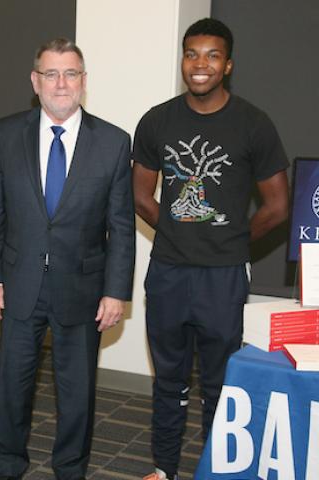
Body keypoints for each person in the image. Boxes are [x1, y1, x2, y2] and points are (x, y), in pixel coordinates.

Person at [132, 18, 289, 480]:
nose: (200, 65)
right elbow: (140, 195)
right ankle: (163, 468)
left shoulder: (254, 124)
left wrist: (233, 240)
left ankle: (216, 470)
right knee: (169, 380)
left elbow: (277, 206)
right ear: (183, 61)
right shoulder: (157, 120)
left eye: (212, 56)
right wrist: (180, 229)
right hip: (168, 272)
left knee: (219, 385)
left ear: (228, 65)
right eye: (192, 54)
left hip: (223, 275)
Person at [0, 38, 135, 480]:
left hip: (83, 290)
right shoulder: (6, 134)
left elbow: (120, 225)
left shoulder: (114, 142)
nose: (61, 83)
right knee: (12, 387)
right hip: (17, 284)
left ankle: (70, 469)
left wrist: (115, 291)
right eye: (51, 73)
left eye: (70, 73)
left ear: (84, 82)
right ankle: (6, 465)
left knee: (77, 391)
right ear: (35, 81)